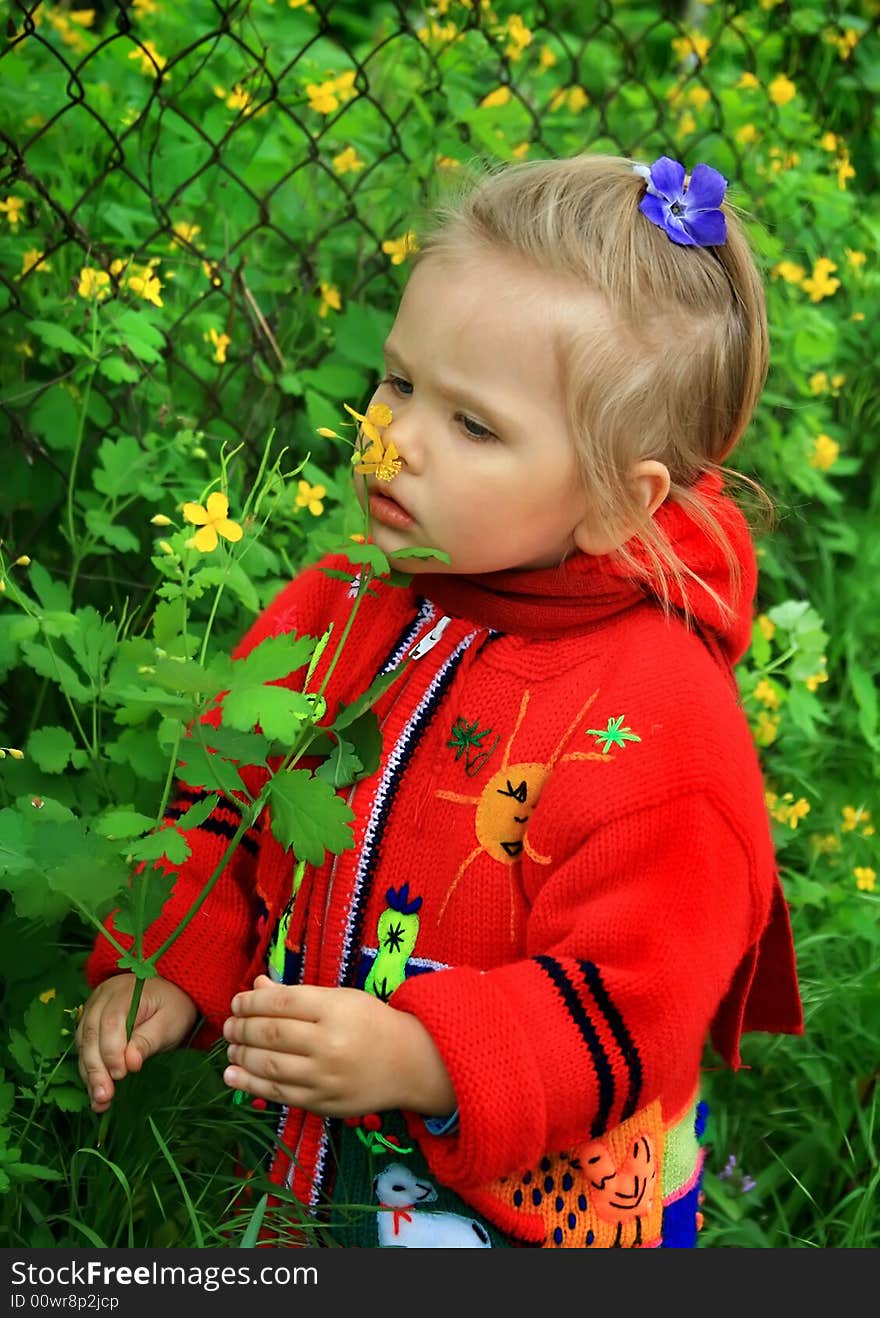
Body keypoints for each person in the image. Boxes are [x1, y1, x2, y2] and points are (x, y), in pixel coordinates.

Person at [77, 152, 803, 1249]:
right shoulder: (337, 607)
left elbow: (631, 1002)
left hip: (530, 1221)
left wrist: (422, 1058)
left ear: (616, 499)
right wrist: (169, 963)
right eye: (399, 381)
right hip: (304, 1190)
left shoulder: (659, 722)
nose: (395, 436)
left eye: (474, 426)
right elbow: (228, 804)